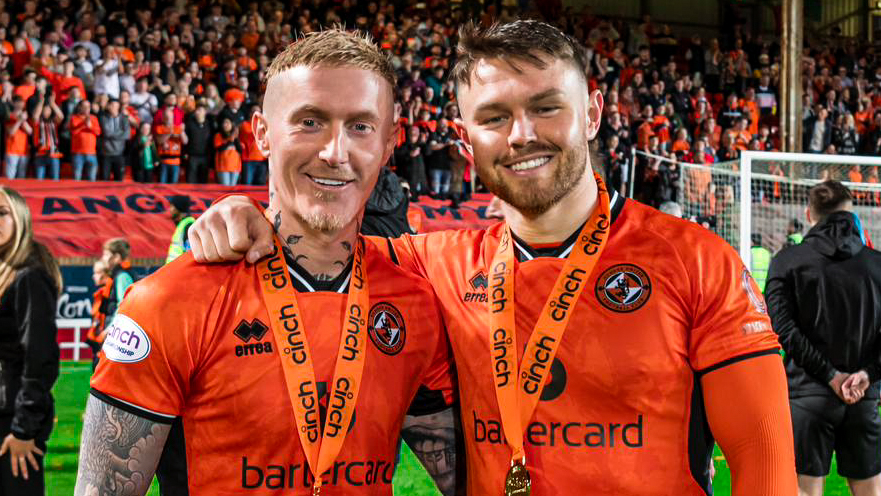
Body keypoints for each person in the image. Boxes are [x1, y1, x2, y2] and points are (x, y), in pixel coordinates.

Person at [191, 20, 797, 495]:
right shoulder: (431, 263)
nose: (521, 135)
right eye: (494, 117)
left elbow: (763, 461)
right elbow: (318, 240)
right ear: (465, 138)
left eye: (546, 107)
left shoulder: (695, 261)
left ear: (594, 113)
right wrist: (241, 212)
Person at [76, 30, 459, 496]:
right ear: (261, 133)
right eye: (310, 122)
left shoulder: (413, 303)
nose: (335, 152)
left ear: (388, 142)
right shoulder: (168, 301)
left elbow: (477, 476)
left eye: (360, 126)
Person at [766, 181, 881, 496]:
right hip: (863, 397)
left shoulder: (787, 261)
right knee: (870, 492)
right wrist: (866, 375)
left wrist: (831, 377)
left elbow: (783, 330)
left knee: (806, 491)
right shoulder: (876, 264)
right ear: (850, 214)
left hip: (807, 396)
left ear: (809, 214)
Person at [0, 186, 62, 494]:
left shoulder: (29, 277)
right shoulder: (7, 272)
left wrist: (23, 429)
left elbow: (40, 358)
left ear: (21, 219)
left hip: (13, 424)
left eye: (2, 213)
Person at [98, 98, 130, 181]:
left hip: (119, 153)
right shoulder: (103, 118)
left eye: (114, 105)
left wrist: (112, 134)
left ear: (118, 107)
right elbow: (106, 133)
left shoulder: (124, 118)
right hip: (106, 153)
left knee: (119, 180)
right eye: (111, 105)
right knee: (104, 179)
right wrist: (120, 133)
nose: (112, 107)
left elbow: (127, 135)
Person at [70, 100, 101, 181]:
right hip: (78, 153)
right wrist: (84, 124)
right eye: (84, 106)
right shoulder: (74, 118)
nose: (87, 108)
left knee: (92, 179)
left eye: (88, 106)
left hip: (91, 153)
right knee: (77, 179)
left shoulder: (94, 118)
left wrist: (90, 126)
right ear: (80, 107)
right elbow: (73, 132)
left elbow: (98, 132)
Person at [165, 195, 194, 264]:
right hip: (174, 268)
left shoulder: (188, 225)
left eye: (172, 206)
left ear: (179, 208)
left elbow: (190, 252)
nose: (170, 209)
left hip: (179, 269)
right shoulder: (183, 223)